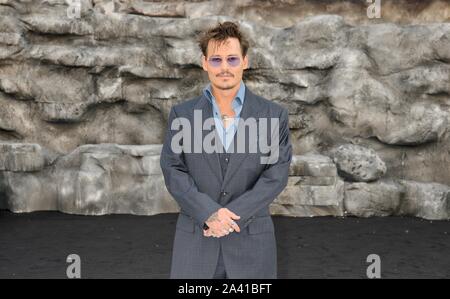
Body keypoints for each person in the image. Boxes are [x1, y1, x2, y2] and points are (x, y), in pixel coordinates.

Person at [160, 21, 292, 279]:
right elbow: (173, 169)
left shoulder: (273, 115)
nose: (224, 68)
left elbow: (276, 174)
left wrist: (228, 218)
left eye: (232, 59)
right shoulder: (182, 115)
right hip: (196, 242)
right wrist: (208, 213)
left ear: (245, 61)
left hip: (252, 245)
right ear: (204, 62)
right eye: (216, 59)